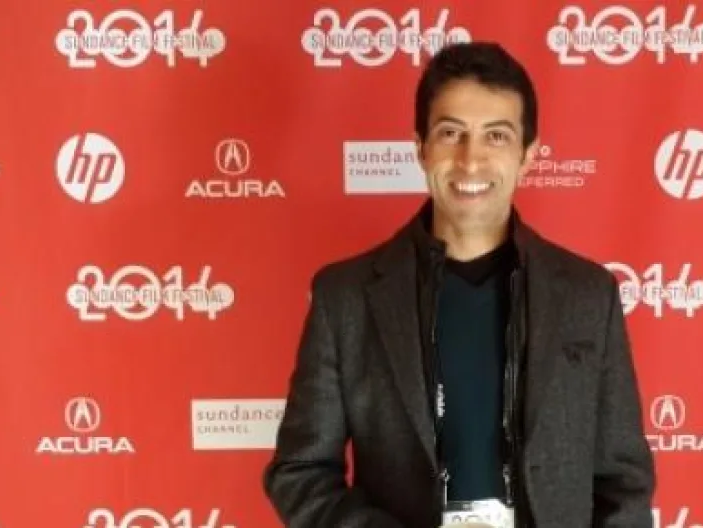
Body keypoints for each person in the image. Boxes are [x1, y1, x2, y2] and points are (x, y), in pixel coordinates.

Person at [263, 41, 656, 527]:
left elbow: (624, 482)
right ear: (421, 148)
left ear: (528, 155)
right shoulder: (344, 298)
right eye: (451, 133)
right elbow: (299, 472)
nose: (471, 160)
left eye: (497, 136)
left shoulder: (588, 295)